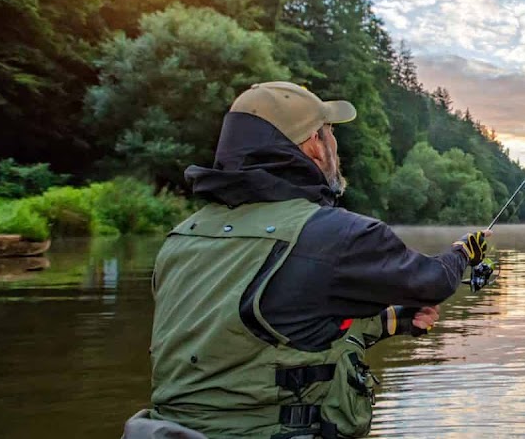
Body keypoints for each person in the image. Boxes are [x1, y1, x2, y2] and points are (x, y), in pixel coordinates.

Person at [123, 81, 490, 439]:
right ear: (314, 145)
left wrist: (393, 322)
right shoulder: (339, 235)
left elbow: (263, 330)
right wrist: (462, 252)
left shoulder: (183, 237)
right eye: (330, 133)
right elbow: (433, 282)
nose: (335, 146)